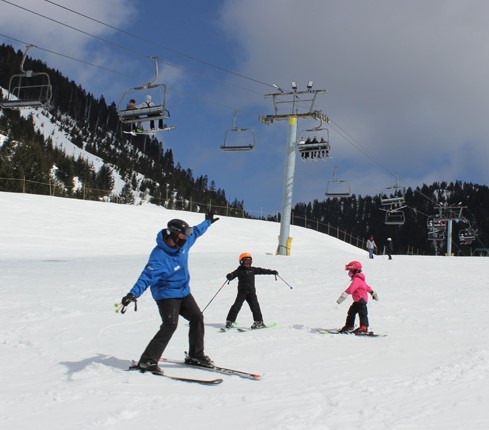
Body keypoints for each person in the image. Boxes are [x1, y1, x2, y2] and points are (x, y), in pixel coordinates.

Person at [119, 212, 219, 374]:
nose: (186, 238)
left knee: (197, 317)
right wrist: (133, 294)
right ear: (173, 235)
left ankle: (195, 355)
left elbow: (196, 231)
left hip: (183, 291)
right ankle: (148, 361)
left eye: (186, 235)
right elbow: (146, 277)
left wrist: (207, 222)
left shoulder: (184, 243)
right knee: (170, 324)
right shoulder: (159, 256)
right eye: (182, 235)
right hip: (166, 294)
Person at [224, 253, 278, 330]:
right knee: (236, 306)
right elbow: (233, 274)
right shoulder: (239, 270)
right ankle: (230, 321)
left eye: (250, 262)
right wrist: (230, 276)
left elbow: (261, 270)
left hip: (251, 293)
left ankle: (259, 322)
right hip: (242, 293)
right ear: (241, 262)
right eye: (246, 262)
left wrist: (272, 272)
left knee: (255, 307)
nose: (248, 263)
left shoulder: (252, 270)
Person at [336, 261, 378, 334]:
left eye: (351, 271)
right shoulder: (359, 279)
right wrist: (372, 293)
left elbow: (351, 288)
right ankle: (349, 326)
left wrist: (343, 296)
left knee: (363, 313)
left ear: (356, 270)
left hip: (361, 300)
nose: (349, 273)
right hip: (357, 301)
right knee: (351, 312)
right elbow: (367, 287)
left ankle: (363, 327)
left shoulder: (357, 280)